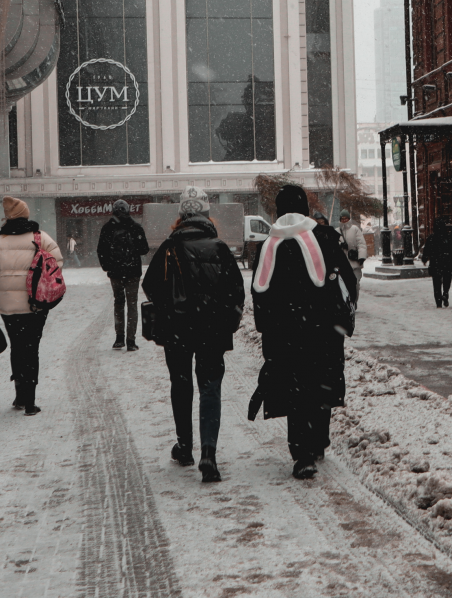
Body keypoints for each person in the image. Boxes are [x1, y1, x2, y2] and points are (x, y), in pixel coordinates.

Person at [250, 184, 360, 479]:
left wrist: (268, 329)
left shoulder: (267, 246)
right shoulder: (326, 239)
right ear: (305, 210)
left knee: (296, 391)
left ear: (277, 210)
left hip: (285, 334)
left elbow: (259, 294)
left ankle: (302, 454)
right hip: (324, 330)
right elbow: (348, 282)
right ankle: (318, 439)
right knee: (321, 384)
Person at [142, 186, 245, 481]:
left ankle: (185, 447)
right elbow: (236, 292)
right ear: (206, 215)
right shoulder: (220, 248)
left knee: (181, 383)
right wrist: (228, 320)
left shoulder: (168, 248)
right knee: (210, 388)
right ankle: (209, 454)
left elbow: (150, 286)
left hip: (176, 330)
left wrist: (171, 307)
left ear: (180, 217)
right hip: (212, 330)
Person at [0, 197, 62, 416]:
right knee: (31, 348)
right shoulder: (41, 238)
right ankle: (30, 401)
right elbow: (57, 263)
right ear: (26, 215)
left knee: (17, 345)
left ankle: (19, 394)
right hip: (35, 302)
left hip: (9, 305)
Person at [96, 199, 151, 350]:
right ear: (128, 210)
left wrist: (107, 266)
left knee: (119, 303)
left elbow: (101, 250)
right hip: (133, 272)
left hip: (115, 272)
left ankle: (119, 338)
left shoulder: (107, 228)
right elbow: (144, 249)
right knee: (132, 304)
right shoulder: (135, 227)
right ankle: (131, 341)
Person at [419, 219, 452, 307]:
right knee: (447, 279)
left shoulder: (432, 238)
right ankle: (445, 293)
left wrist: (425, 259)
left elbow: (427, 250)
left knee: (436, 283)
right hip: (447, 263)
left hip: (435, 263)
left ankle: (438, 302)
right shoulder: (448, 237)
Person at [337, 209, 368, 281]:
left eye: (346, 218)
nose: (344, 220)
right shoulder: (337, 231)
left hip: (354, 261)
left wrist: (361, 257)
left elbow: (361, 244)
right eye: (342, 218)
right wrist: (340, 245)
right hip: (342, 263)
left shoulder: (355, 229)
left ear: (349, 219)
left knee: (355, 283)